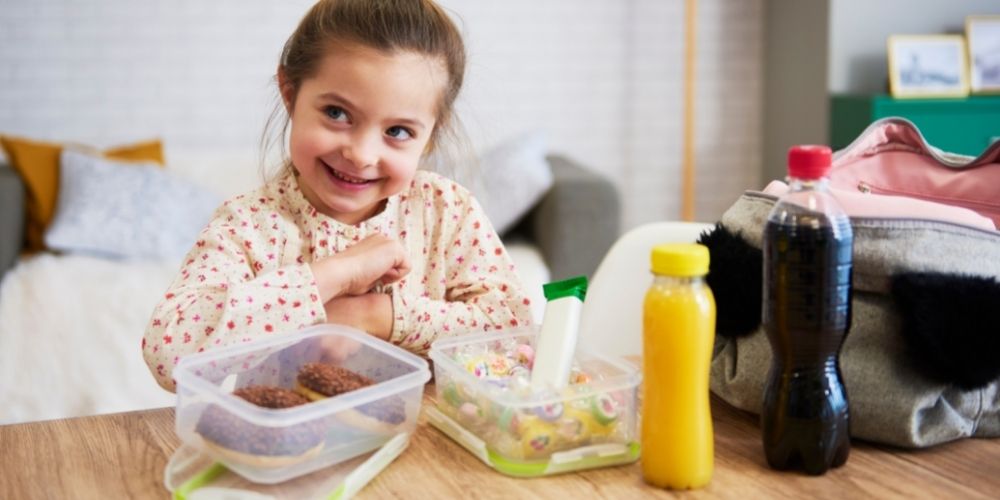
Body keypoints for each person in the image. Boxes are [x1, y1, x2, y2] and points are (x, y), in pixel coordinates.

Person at [143, 0, 533, 391]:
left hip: (428, 446)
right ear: (290, 93)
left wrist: (378, 315)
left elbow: (516, 338)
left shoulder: (448, 211)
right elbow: (169, 357)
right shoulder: (247, 225)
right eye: (336, 113)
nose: (361, 155)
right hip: (292, 448)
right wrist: (333, 274)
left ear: (431, 132)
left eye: (397, 132)